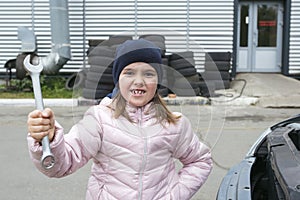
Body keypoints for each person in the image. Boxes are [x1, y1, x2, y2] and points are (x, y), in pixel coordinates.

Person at [27, 39, 213, 200]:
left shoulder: (174, 124)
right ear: (118, 78)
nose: (138, 81)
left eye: (148, 73)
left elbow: (200, 161)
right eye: (129, 72)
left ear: (158, 80)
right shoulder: (99, 119)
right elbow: (60, 165)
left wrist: (175, 194)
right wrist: (48, 140)